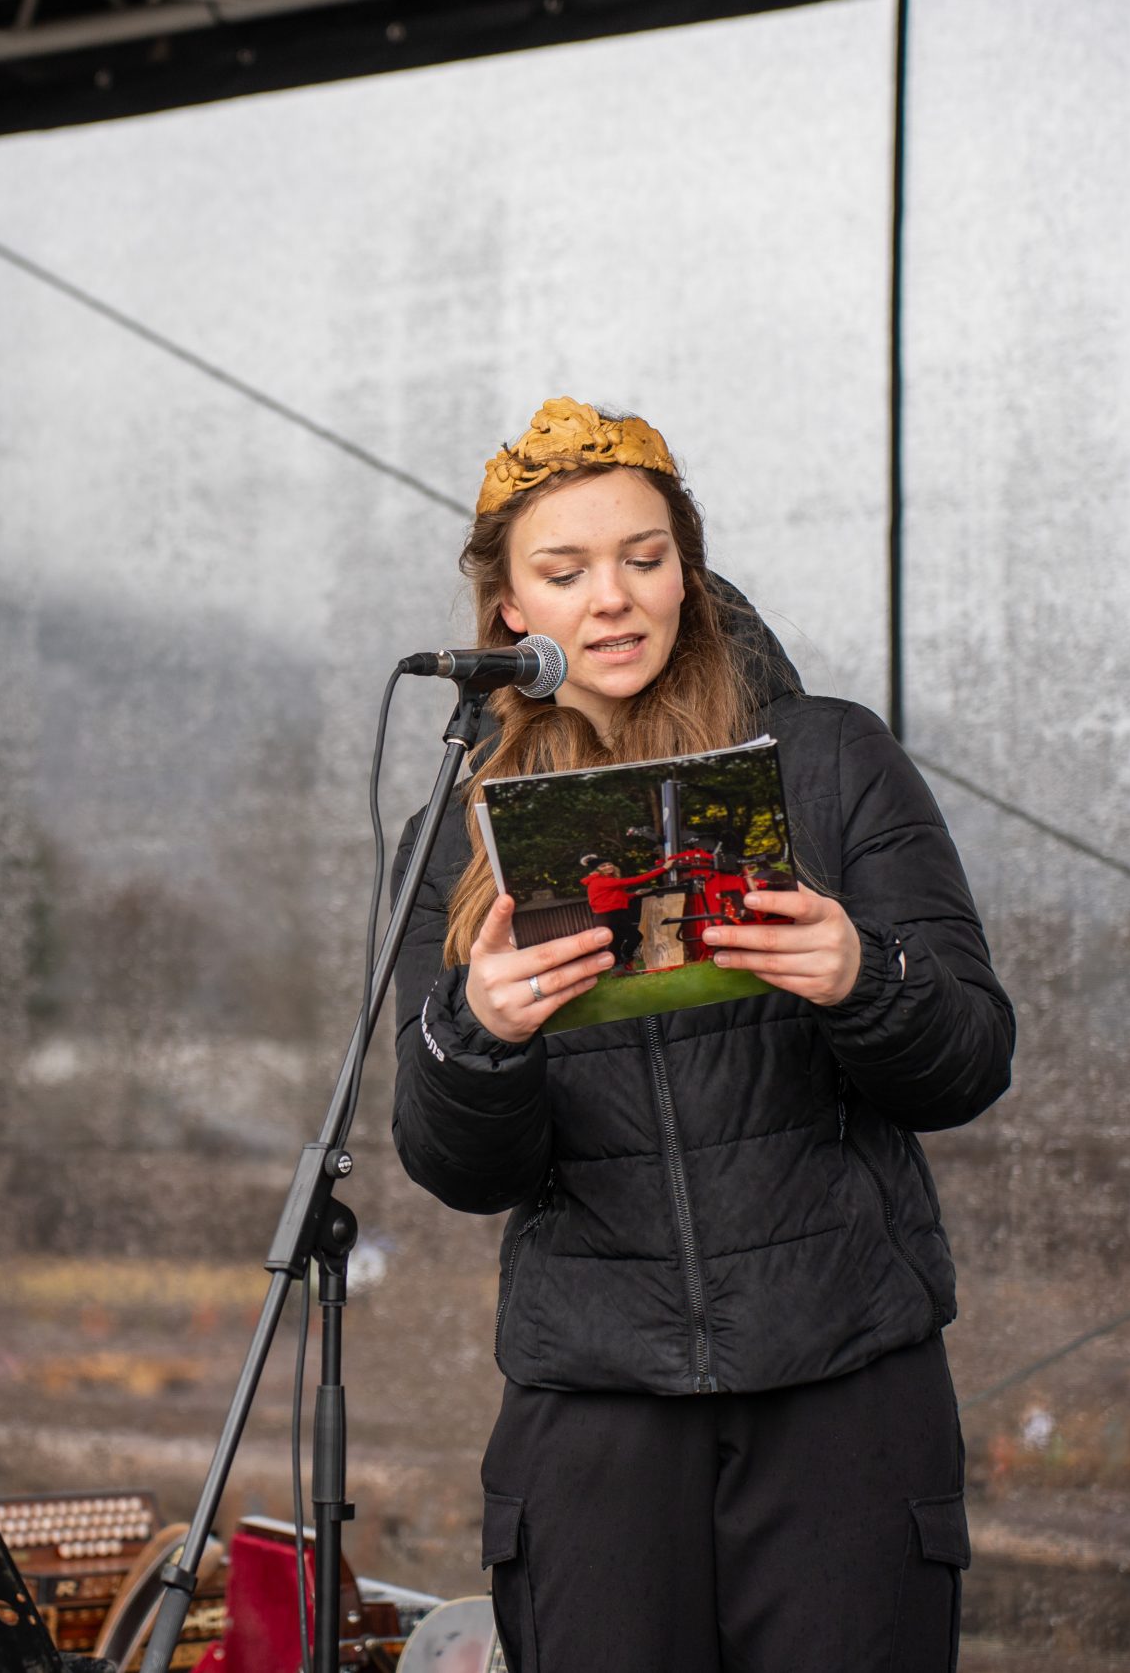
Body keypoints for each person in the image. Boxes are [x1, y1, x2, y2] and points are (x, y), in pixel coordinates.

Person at [389, 398, 1016, 1672]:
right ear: (508, 611)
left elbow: (971, 1060)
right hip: (594, 1409)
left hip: (842, 1379)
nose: (612, 599)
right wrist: (479, 1033)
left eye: (644, 557)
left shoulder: (828, 761)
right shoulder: (454, 839)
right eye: (565, 571)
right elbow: (458, 1167)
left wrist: (863, 975)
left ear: (687, 569)